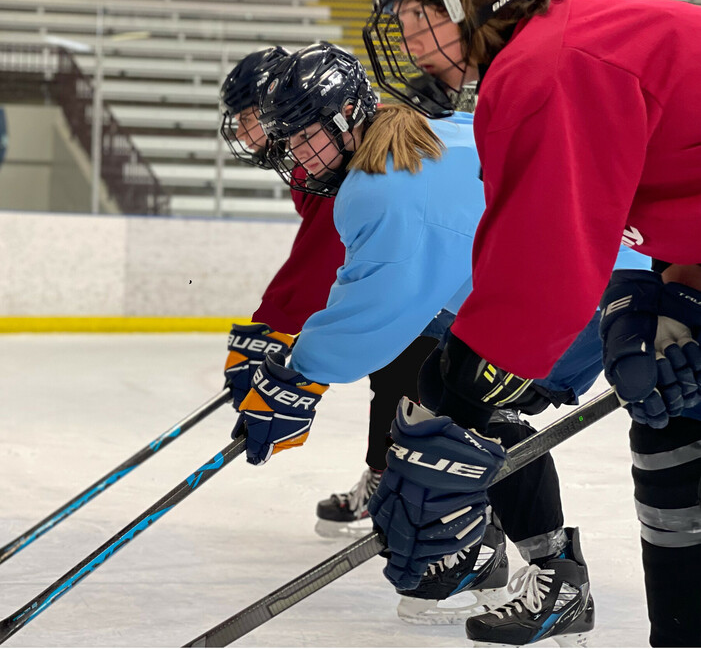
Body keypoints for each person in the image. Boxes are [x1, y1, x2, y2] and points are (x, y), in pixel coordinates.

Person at [363, 0, 701, 646]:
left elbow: (543, 270)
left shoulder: (550, 65)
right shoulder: (570, 45)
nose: (409, 40)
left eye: (417, 15)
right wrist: (669, 291)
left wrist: (457, 411)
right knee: (673, 425)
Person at [231, 41, 649, 631]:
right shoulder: (423, 136)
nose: (299, 156)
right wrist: (302, 364)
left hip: (582, 294)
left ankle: (541, 572)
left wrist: (299, 376)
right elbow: (398, 288)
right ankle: (519, 561)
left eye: (308, 137)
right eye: (292, 142)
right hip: (585, 274)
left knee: (462, 400)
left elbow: (376, 311)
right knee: (448, 386)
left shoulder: (379, 185)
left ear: (349, 118)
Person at [217, 47, 436, 555]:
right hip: (421, 284)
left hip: (440, 288)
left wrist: (278, 335)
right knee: (396, 372)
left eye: (250, 117)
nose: (246, 130)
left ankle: (411, 488)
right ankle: (390, 476)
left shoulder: (345, 160)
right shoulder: (312, 160)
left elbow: (322, 262)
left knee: (412, 374)